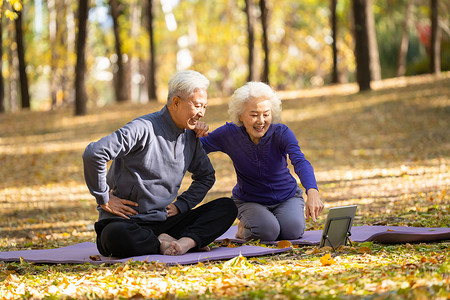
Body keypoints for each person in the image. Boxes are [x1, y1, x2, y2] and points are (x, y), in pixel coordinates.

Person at [82, 70, 237, 258]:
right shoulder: (142, 128)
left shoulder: (190, 137)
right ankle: (164, 243)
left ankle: (184, 242)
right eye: (197, 106)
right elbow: (94, 153)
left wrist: (183, 205)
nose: (201, 113)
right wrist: (104, 197)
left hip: (166, 221)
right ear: (176, 102)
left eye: (204, 107)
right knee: (116, 237)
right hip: (127, 222)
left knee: (227, 207)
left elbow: (206, 176)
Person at [195, 81, 323, 241]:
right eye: (254, 115)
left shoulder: (282, 133)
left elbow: (300, 161)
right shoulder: (229, 134)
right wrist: (194, 131)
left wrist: (312, 191)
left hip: (286, 196)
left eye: (266, 114)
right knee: (268, 233)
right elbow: (197, 148)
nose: (261, 121)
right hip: (249, 200)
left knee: (292, 232)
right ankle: (243, 229)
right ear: (240, 115)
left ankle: (268, 221)